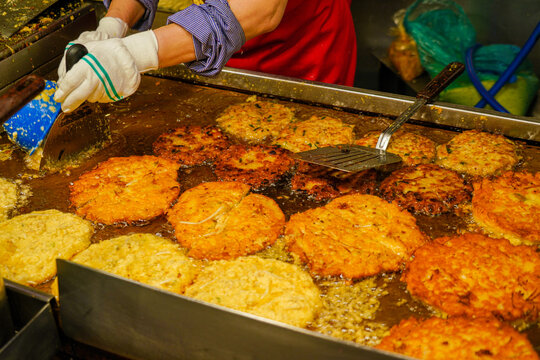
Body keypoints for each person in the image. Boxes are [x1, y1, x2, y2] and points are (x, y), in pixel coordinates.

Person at [54, 0, 357, 112]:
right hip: (203, 42)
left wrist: (134, 53)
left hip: (296, 47)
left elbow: (260, 10)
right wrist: (113, 23)